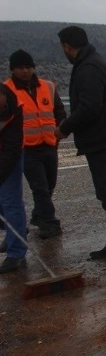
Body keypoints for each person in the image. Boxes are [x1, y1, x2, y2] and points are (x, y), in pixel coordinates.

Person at [55, 25, 106, 269]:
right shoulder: (92, 62)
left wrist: (64, 128)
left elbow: (89, 107)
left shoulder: (89, 67)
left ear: (67, 46)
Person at [5, 50, 66, 239]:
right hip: (26, 148)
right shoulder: (6, 90)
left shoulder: (47, 87)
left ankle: (38, 215)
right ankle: (50, 223)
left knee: (49, 185)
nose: (25, 71)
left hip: (49, 144)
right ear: (13, 69)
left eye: (28, 67)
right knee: (39, 186)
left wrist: (58, 132)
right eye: (20, 68)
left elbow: (59, 112)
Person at [0, 81, 28, 272]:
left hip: (8, 157)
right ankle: (13, 234)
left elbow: (11, 148)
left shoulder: (14, 108)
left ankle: (16, 254)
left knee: (11, 201)